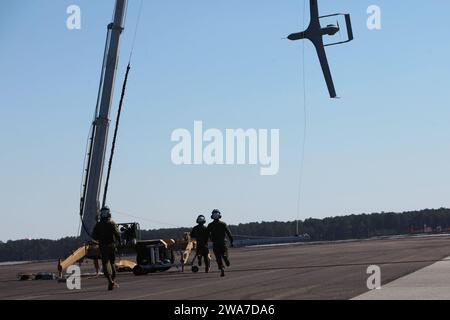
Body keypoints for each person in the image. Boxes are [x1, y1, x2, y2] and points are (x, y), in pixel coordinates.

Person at [91, 206, 121, 291]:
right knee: (112, 264)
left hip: (103, 247)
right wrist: (119, 242)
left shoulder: (98, 225)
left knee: (105, 264)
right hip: (111, 246)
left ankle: (110, 281)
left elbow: (94, 236)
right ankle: (112, 281)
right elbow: (118, 234)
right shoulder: (111, 223)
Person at [207, 209, 234, 277]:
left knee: (218, 258)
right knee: (224, 254)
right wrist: (231, 242)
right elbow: (229, 234)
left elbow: (206, 234)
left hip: (215, 244)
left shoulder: (210, 225)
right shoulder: (223, 224)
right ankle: (225, 258)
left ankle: (222, 269)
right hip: (223, 243)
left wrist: (209, 239)